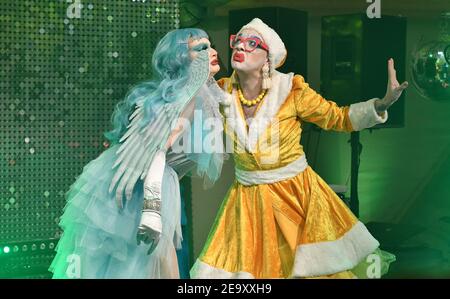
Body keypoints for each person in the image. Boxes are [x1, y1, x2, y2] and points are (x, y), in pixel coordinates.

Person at [191, 18, 407, 279]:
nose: (240, 46)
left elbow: (337, 117)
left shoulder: (291, 89)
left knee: (307, 271)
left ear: (268, 58)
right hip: (247, 201)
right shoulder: (222, 91)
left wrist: (382, 104)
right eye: (237, 41)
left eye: (251, 43)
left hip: (294, 195)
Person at [49, 28, 228, 278]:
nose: (213, 53)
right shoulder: (188, 94)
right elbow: (157, 152)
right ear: (180, 57)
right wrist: (152, 211)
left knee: (145, 262)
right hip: (140, 184)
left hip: (145, 179)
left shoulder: (199, 93)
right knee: (147, 261)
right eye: (201, 48)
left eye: (211, 46)